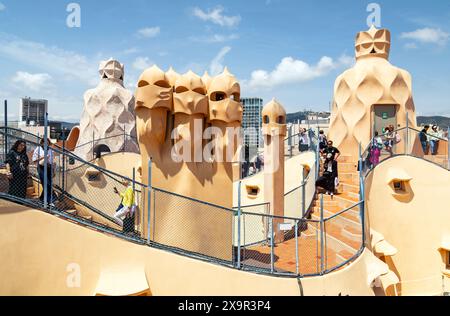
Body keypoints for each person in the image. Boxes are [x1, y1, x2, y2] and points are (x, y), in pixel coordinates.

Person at [32, 138, 55, 205]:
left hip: (49, 167)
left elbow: (52, 161)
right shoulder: (38, 149)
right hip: (41, 167)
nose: (46, 144)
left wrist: (53, 170)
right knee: (46, 183)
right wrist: (43, 157)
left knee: (49, 184)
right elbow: (34, 160)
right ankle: (50, 201)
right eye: (44, 143)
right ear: (41, 143)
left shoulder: (50, 150)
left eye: (47, 143)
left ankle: (42, 199)